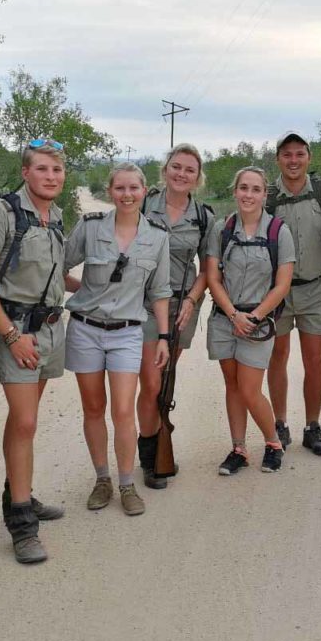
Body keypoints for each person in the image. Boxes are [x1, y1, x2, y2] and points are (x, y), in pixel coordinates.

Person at [0, 139, 73, 563]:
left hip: (49, 329)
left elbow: (56, 276)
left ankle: (20, 494)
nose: (51, 176)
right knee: (26, 421)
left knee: (24, 420)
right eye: (42, 169)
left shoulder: (56, 216)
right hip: (16, 331)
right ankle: (21, 524)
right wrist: (12, 336)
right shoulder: (0, 213)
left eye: (57, 170)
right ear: (25, 172)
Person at [64, 163, 172, 515]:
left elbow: (159, 291)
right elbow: (58, 265)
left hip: (127, 332)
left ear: (145, 191)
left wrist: (164, 337)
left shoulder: (157, 235)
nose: (127, 195)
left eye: (134, 188)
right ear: (110, 191)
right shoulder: (91, 227)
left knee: (124, 410)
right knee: (93, 408)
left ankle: (127, 484)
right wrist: (83, 292)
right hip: (86, 329)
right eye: (120, 188)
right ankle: (102, 480)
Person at [206, 167, 295, 476]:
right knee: (232, 385)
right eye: (243, 187)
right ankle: (239, 449)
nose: (248, 194)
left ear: (264, 195)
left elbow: (282, 284)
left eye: (255, 189)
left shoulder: (278, 232)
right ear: (235, 191)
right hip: (225, 319)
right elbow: (212, 278)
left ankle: (273, 443)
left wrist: (254, 317)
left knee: (249, 389)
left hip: (258, 323)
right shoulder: (221, 230)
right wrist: (233, 314)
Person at [136, 144, 213, 488]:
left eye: (190, 170)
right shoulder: (142, 202)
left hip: (181, 306)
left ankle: (159, 436)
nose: (182, 174)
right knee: (151, 382)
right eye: (176, 167)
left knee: (167, 379)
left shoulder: (204, 217)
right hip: (145, 305)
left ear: (198, 178)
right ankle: (149, 454)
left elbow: (209, 269)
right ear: (165, 169)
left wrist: (192, 301)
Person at [266, 132, 321, 456]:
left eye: (299, 154)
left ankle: (313, 426)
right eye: (287, 155)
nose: (293, 161)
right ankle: (279, 424)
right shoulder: (268, 198)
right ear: (278, 159)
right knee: (277, 358)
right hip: (276, 294)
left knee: (314, 359)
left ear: (309, 157)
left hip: (313, 289)